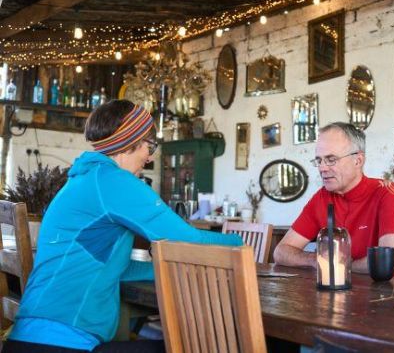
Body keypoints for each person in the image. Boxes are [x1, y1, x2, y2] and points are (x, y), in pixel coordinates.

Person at [3, 100, 242, 353]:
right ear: (130, 143)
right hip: (62, 343)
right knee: (198, 347)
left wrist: (163, 267)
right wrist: (242, 245)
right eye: (150, 147)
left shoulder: (87, 178)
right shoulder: (114, 182)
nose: (150, 158)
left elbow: (116, 268)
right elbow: (186, 239)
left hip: (33, 339)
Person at [273, 122, 394, 273]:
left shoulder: (388, 192)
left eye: (331, 159)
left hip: (390, 293)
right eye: (319, 160)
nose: (322, 168)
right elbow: (281, 252)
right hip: (338, 292)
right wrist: (315, 259)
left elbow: (388, 262)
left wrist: (339, 266)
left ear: (358, 160)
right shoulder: (321, 198)